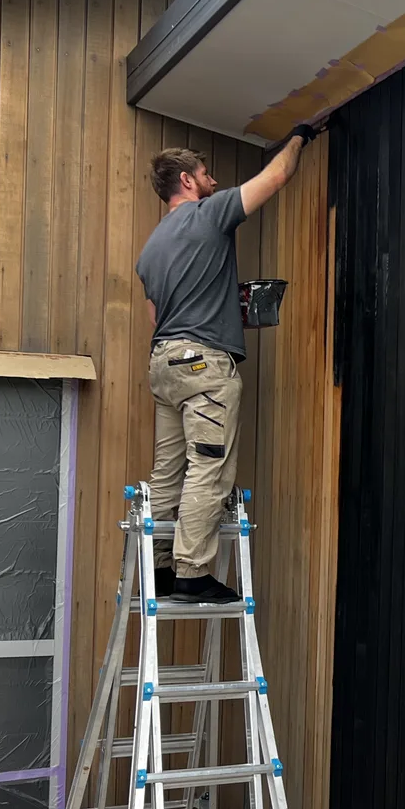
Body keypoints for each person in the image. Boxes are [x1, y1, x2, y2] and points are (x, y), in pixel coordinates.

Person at [136, 126, 316, 602]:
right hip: (203, 367)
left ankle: (158, 570)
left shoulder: (151, 249)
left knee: (168, 470)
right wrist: (296, 138)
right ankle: (193, 572)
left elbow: (158, 314)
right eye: (206, 173)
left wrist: (220, 306)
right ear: (188, 182)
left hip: (165, 363)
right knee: (208, 465)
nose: (213, 180)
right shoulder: (208, 214)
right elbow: (275, 177)